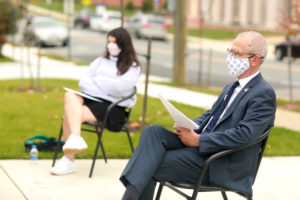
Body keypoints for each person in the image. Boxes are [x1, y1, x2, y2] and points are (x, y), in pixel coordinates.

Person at [120, 31, 276, 200]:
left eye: (236, 53)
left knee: (150, 163)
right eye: (229, 51)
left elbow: (245, 135)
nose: (230, 57)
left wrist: (199, 140)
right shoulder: (232, 87)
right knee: (153, 132)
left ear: (254, 60)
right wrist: (188, 125)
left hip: (219, 163)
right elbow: (211, 115)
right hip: (200, 149)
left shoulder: (263, 94)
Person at [50, 27, 141, 175]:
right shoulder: (100, 61)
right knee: (69, 96)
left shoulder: (132, 66)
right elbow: (84, 82)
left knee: (70, 115)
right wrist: (107, 86)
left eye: (115, 42)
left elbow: (120, 89)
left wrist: (99, 80)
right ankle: (76, 139)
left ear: (124, 44)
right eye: (109, 41)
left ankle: (69, 160)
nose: (110, 45)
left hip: (114, 108)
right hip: (93, 100)